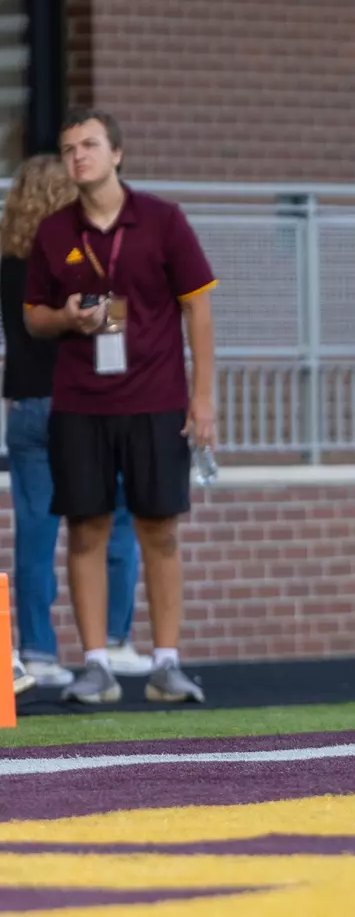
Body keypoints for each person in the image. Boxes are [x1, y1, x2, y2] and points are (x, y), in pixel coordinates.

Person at [24, 108, 217, 704]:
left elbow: (199, 309)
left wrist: (203, 396)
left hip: (157, 400)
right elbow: (33, 317)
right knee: (86, 530)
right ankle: (97, 667)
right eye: (68, 148)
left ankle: (165, 663)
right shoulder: (55, 232)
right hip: (79, 404)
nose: (78, 155)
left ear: (117, 154)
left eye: (89, 144)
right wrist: (67, 318)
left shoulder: (162, 220)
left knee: (160, 530)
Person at [2, 155, 147, 692]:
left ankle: (38, 652)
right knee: (115, 518)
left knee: (36, 534)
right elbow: (109, 327)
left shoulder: (8, 260)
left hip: (24, 408)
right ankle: (111, 641)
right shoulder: (73, 255)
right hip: (80, 404)